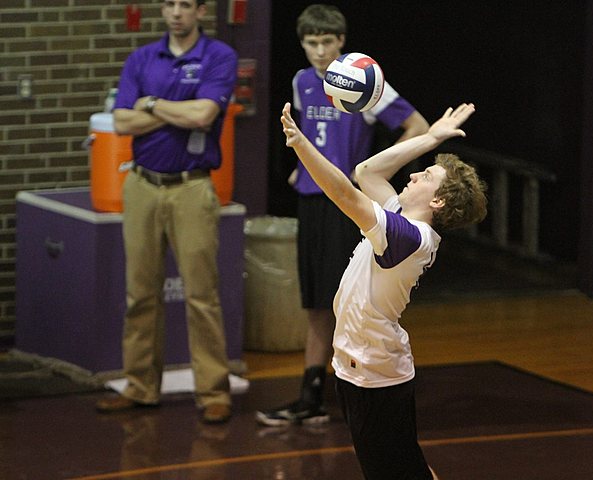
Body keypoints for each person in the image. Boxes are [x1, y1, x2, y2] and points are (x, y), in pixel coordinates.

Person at [279, 101, 487, 479]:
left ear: (437, 201)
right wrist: (431, 137)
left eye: (425, 177)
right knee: (406, 467)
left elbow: (344, 192)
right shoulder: (399, 217)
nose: (412, 176)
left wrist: (301, 144)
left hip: (375, 374)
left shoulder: (408, 237)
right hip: (357, 365)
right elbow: (366, 171)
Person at [257, 3, 430, 427]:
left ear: (341, 43)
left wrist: (370, 168)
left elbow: (419, 126)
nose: (318, 51)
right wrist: (304, 164)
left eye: (326, 42)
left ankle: (360, 387)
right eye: (311, 43)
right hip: (309, 199)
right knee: (315, 298)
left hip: (346, 203)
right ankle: (311, 392)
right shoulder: (301, 82)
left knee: (346, 298)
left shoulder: (363, 81)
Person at [95, 0, 237, 424]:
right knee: (140, 294)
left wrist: (151, 104)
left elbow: (205, 114)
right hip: (141, 186)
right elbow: (121, 121)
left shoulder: (218, 56)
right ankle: (140, 386)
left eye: (185, 5)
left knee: (201, 295)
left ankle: (213, 391)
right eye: (170, 4)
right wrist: (177, 110)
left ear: (200, 11)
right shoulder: (141, 58)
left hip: (191, 187)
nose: (176, 13)